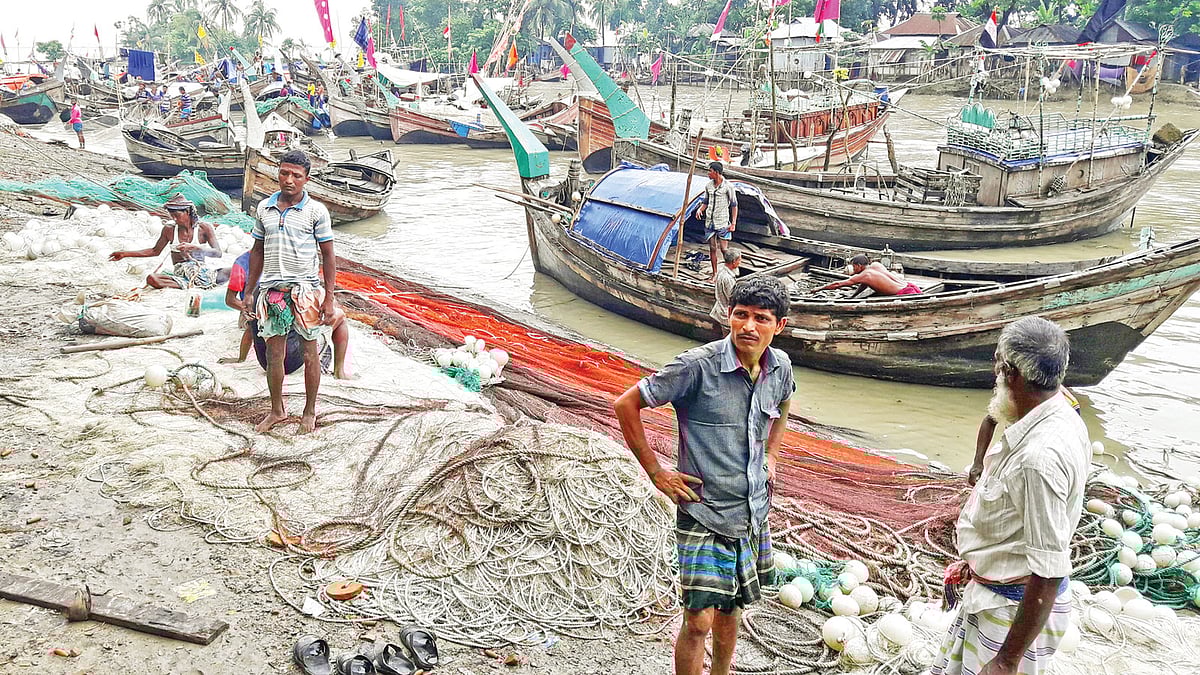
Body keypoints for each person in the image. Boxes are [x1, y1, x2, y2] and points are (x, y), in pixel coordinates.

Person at [615, 276, 794, 675]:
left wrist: (772, 454)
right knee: (699, 619)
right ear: (728, 317)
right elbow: (626, 403)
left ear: (778, 326)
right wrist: (657, 473)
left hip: (751, 510)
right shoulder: (696, 367)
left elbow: (784, 404)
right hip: (703, 509)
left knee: (732, 609)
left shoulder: (779, 367)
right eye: (740, 315)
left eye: (761, 318)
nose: (748, 326)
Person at [931, 317, 1090, 675]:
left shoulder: (1039, 460)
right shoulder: (1057, 415)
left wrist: (1006, 660)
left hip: (1009, 613)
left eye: (997, 364)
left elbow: (1049, 570)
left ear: (1010, 372)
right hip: (994, 598)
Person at [240, 149, 338, 435]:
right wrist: (249, 291)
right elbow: (256, 251)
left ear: (306, 179)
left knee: (311, 353)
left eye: (296, 175)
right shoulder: (264, 209)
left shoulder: (316, 211)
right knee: (274, 355)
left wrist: (329, 298)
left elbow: (329, 256)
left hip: (306, 292)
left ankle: (309, 412)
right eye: (284, 173)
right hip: (272, 292)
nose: (289, 180)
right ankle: (276, 410)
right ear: (277, 173)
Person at [221, 250, 351, 379]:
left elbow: (250, 331)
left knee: (266, 329)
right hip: (291, 361)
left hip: (265, 357)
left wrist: (240, 359)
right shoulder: (293, 286)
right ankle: (340, 372)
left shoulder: (260, 292)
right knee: (339, 317)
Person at [967, 385, 1080, 486]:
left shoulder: (1067, 408)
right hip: (1014, 447)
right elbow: (990, 420)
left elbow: (1067, 448)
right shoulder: (1014, 392)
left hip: (1042, 457)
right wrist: (978, 461)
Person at [109, 194, 225, 289]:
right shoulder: (169, 230)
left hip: (200, 270)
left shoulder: (204, 228)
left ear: (188, 212)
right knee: (152, 279)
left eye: (177, 215)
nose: (174, 219)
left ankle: (196, 282)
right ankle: (192, 284)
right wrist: (125, 254)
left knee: (232, 272)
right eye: (172, 215)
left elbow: (218, 253)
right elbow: (154, 251)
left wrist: (196, 248)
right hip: (181, 274)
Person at [695, 161, 738, 282]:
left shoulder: (728, 187)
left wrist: (733, 223)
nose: (708, 173)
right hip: (710, 222)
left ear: (716, 172)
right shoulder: (708, 186)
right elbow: (706, 201)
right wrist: (700, 209)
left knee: (724, 250)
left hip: (723, 222)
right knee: (712, 248)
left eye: (710, 171)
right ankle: (714, 274)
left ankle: (730, 272)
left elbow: (734, 205)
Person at [817, 254, 921, 296]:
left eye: (853, 267)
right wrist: (853, 296)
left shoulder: (864, 275)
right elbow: (864, 284)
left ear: (858, 266)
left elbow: (838, 284)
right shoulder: (876, 265)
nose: (853, 269)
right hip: (910, 286)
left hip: (905, 293)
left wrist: (819, 289)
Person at [710, 249, 741, 332]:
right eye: (739, 260)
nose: (740, 262)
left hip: (718, 310)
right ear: (734, 261)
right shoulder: (728, 278)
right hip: (725, 313)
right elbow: (732, 298)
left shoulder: (721, 271)